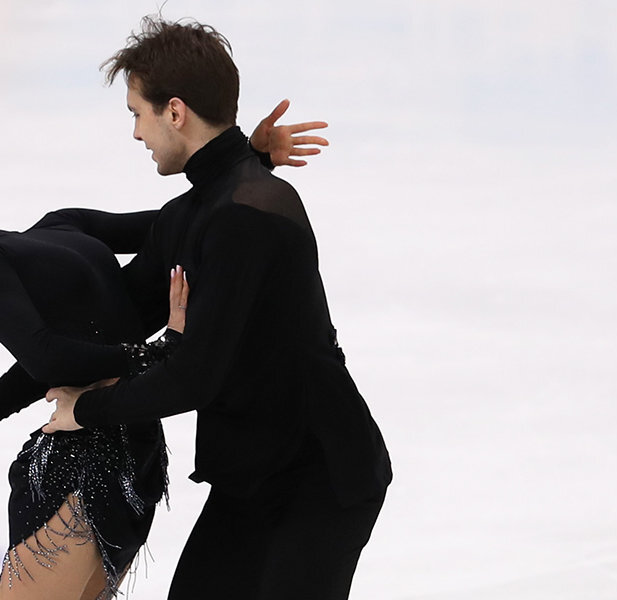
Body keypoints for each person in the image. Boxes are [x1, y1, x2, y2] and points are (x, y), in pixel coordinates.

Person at [0, 112, 327, 600]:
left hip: (107, 453)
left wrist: (250, 162)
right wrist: (156, 354)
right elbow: (47, 359)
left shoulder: (50, 229)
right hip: (88, 462)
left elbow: (182, 225)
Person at [40, 17, 393, 600]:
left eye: (137, 113)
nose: (136, 133)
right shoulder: (197, 213)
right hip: (252, 475)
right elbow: (117, 317)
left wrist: (88, 409)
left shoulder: (250, 212)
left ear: (175, 112)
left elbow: (195, 377)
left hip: (320, 476)